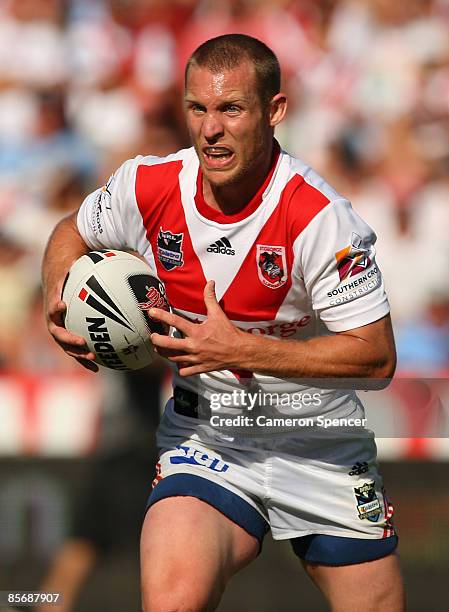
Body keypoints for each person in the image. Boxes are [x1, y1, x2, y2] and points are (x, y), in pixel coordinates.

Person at [42, 34, 405, 611]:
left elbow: (377, 357)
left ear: (275, 111)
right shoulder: (147, 185)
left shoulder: (319, 217)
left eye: (231, 108)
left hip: (319, 443)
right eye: (198, 108)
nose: (211, 129)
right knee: (172, 600)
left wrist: (239, 349)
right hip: (206, 437)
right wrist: (57, 291)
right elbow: (72, 229)